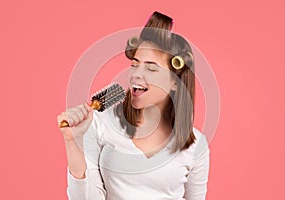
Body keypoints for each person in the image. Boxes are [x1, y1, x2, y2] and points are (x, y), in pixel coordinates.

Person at [57, 11, 210, 200]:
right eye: (134, 65)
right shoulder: (100, 123)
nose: (136, 74)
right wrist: (74, 144)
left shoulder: (195, 145)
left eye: (151, 68)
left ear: (174, 82)